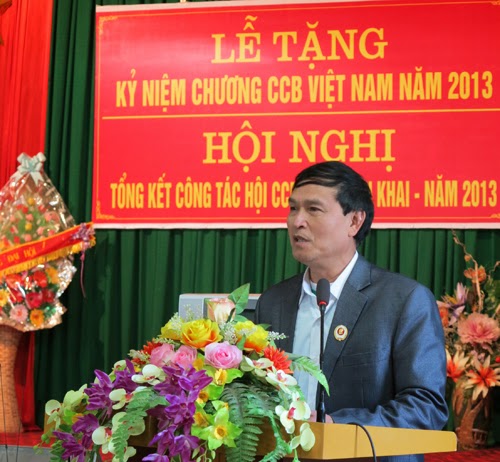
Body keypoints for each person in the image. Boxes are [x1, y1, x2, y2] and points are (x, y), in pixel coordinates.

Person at [255, 161, 448, 462]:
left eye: (313, 209)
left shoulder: (404, 301)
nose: (297, 221)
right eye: (293, 208)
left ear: (355, 221)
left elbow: (426, 407)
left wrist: (338, 427)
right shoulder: (273, 302)